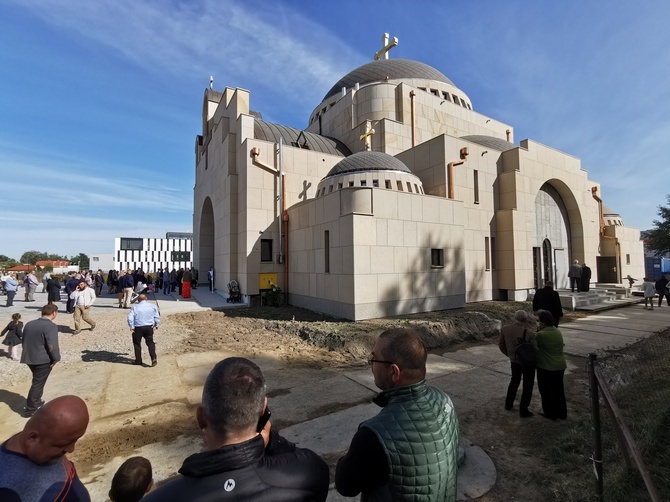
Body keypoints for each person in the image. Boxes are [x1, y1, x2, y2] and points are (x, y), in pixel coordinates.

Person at [143, 357, 329, 501]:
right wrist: (272, 441)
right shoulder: (308, 472)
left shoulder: (159, 498)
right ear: (263, 410)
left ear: (200, 418)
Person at [335, 329, 460, 501]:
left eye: (374, 359)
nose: (371, 364)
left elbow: (345, 486)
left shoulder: (373, 436)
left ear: (394, 372)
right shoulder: (445, 401)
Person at [0, 395, 91, 501]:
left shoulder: (44, 443)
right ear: (32, 438)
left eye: (74, 441)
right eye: (62, 445)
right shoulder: (6, 490)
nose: (71, 449)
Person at [20, 304, 61, 417]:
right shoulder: (51, 326)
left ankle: (37, 401)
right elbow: (52, 345)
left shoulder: (29, 324)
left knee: (38, 381)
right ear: (54, 313)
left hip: (29, 357)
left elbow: (24, 341)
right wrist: (56, 359)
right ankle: (30, 409)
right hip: (42, 359)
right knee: (38, 383)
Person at [498, 310, 536, 418]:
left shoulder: (505, 329)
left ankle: (508, 404)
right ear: (525, 320)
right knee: (528, 385)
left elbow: (501, 345)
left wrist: (510, 355)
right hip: (527, 363)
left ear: (514, 318)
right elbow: (534, 349)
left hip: (514, 361)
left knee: (514, 381)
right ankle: (523, 410)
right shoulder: (529, 333)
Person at [535, 310, 567, 420]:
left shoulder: (540, 335)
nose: (537, 323)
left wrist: (537, 331)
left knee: (546, 391)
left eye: (538, 321)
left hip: (546, 366)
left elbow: (533, 346)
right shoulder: (556, 331)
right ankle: (562, 412)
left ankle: (550, 413)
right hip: (560, 365)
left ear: (543, 322)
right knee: (559, 390)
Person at [127, 294, 160, 367]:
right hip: (148, 327)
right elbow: (156, 316)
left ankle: (138, 361)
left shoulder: (134, 307)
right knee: (150, 342)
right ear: (146, 298)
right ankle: (153, 358)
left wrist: (131, 326)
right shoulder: (152, 306)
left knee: (137, 344)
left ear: (138, 300)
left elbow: (130, 318)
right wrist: (157, 324)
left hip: (138, 327)